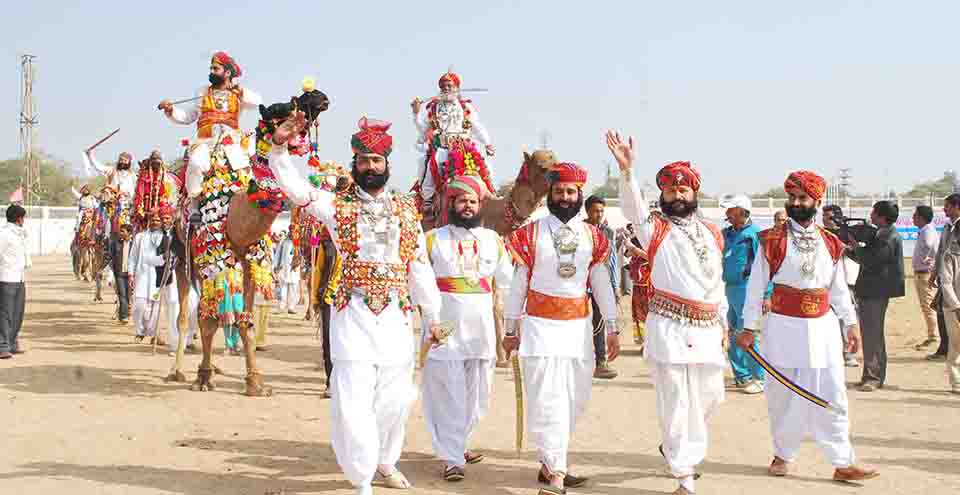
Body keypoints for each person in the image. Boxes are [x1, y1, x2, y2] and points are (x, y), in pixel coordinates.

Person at [269, 113, 444, 495]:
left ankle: (385, 460)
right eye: (363, 161)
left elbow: (418, 265)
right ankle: (362, 477)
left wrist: (433, 314)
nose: (369, 167)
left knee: (397, 397)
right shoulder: (336, 207)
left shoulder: (406, 212)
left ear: (386, 165)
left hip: (396, 316)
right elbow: (297, 189)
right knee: (353, 395)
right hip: (353, 314)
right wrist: (280, 148)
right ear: (354, 164)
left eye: (375, 161)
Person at [739, 170, 878, 481]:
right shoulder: (771, 240)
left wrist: (850, 325)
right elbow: (755, 286)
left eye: (802, 198)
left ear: (817, 201)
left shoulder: (831, 242)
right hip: (783, 328)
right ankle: (782, 455)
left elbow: (838, 288)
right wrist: (749, 327)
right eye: (792, 198)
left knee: (833, 393)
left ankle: (843, 462)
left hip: (823, 330)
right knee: (782, 394)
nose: (796, 203)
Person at [608, 131, 726, 495]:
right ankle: (684, 476)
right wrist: (627, 173)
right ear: (662, 195)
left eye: (684, 190)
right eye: (671, 190)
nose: (678, 194)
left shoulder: (711, 231)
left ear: (694, 194)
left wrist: (723, 322)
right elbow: (633, 208)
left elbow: (717, 281)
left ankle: (680, 451)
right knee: (676, 403)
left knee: (711, 398)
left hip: (707, 329)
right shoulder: (653, 228)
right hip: (670, 328)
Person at [503, 162, 620, 495]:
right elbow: (518, 283)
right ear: (550, 195)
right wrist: (511, 328)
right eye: (559, 192)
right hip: (540, 327)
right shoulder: (530, 233)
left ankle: (551, 460)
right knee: (548, 398)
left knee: (573, 399)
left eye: (571, 192)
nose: (565, 197)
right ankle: (556, 473)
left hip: (578, 330)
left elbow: (601, 284)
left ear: (579, 195)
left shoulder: (593, 237)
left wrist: (612, 327)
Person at [421, 175, 513, 482]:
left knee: (478, 394)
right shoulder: (433, 238)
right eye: (462, 201)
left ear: (480, 205)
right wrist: (430, 320)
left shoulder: (493, 240)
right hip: (444, 325)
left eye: (473, 201)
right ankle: (451, 457)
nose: (468, 206)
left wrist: (514, 322)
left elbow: (509, 284)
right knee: (447, 391)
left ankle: (461, 441)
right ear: (452, 204)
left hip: (481, 329)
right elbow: (420, 284)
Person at [157, 51, 261, 200]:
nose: (211, 72)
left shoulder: (238, 92)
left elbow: (257, 101)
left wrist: (241, 93)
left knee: (243, 167)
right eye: (211, 68)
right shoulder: (202, 92)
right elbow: (188, 117)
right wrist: (171, 110)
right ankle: (195, 202)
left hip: (231, 139)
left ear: (227, 72)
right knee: (196, 163)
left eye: (215, 69)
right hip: (205, 138)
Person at [411, 70, 496, 223]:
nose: (446, 89)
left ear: (457, 87)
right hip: (442, 149)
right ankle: (428, 202)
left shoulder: (466, 107)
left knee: (486, 169)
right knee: (426, 171)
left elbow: (477, 127)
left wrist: (488, 143)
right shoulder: (433, 107)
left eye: (450, 86)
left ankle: (491, 197)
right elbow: (423, 129)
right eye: (443, 87)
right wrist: (416, 114)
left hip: (464, 149)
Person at [848, 200, 905, 391]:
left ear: (881, 216)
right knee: (871, 335)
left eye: (873, 213)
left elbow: (871, 260)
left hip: (875, 292)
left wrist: (855, 246)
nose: (870, 216)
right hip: (871, 290)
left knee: (872, 335)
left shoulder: (888, 237)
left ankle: (873, 377)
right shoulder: (883, 234)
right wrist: (850, 249)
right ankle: (871, 375)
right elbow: (863, 257)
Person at [720, 194, 767, 394]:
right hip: (727, 288)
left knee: (748, 332)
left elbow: (767, 267)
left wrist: (767, 294)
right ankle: (741, 375)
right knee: (731, 333)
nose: (727, 214)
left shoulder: (756, 235)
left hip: (747, 289)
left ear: (742, 211)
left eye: (731, 210)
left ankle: (758, 377)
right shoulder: (725, 234)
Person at [584, 194, 620, 379]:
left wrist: (615, 287)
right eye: (595, 211)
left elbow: (612, 260)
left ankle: (601, 362)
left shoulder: (608, 232)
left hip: (601, 283)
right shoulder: (578, 230)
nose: (598, 214)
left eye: (601, 211)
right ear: (587, 211)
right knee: (579, 322)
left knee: (599, 322)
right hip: (581, 284)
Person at [822, 204, 861, 367]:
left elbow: (858, 252)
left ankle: (849, 353)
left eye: (829, 217)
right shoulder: (821, 235)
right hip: (826, 284)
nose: (825, 219)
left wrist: (845, 247)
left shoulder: (849, 233)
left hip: (848, 282)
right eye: (824, 216)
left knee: (847, 318)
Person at [934, 193, 960, 394]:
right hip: (953, 296)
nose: (945, 210)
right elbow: (941, 254)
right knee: (956, 341)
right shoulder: (947, 229)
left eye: (948, 206)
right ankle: (957, 381)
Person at [128, 209, 166, 344]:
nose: (155, 222)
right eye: (153, 220)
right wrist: (131, 273)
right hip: (142, 275)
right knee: (139, 306)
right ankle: (139, 331)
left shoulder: (165, 237)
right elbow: (132, 257)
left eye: (158, 220)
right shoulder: (140, 237)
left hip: (158, 277)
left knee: (155, 307)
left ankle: (154, 333)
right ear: (149, 221)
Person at [0, 205, 30, 359]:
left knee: (18, 313)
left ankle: (12, 342)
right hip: (6, 278)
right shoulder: (4, 234)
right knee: (5, 314)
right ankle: (2, 346)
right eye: (23, 217)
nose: (24, 220)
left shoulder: (19, 233)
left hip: (19, 277)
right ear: (19, 218)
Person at [912, 205, 940, 350]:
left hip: (925, 274)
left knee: (928, 306)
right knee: (927, 306)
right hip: (922, 273)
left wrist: (930, 259)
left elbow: (931, 245)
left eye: (915, 215)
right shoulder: (925, 230)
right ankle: (933, 335)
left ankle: (934, 337)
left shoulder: (927, 231)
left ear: (921, 217)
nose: (912, 218)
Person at [109, 223, 134, 324]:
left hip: (131, 274)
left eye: (123, 231)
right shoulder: (116, 243)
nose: (120, 233)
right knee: (122, 294)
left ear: (129, 233)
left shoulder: (135, 244)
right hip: (119, 273)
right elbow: (110, 256)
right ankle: (124, 316)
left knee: (129, 295)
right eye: (120, 231)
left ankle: (124, 313)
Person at [274, 225, 300, 314]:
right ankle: (281, 307)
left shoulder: (299, 242)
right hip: (284, 268)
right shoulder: (284, 242)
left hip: (295, 268)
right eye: (291, 230)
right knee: (283, 288)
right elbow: (278, 254)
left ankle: (291, 307)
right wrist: (276, 265)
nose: (293, 232)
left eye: (294, 231)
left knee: (293, 289)